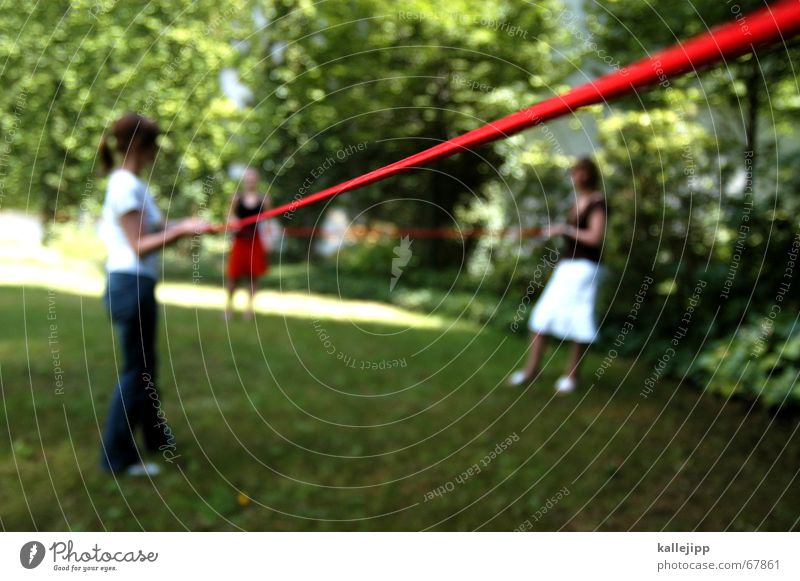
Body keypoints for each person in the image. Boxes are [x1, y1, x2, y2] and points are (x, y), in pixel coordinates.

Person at [98, 112, 208, 475]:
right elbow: (140, 245)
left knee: (147, 366)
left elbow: (158, 226)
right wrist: (180, 233)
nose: (158, 150)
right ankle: (116, 458)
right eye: (155, 143)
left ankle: (158, 438)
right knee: (136, 372)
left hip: (136, 284)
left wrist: (190, 225)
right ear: (141, 146)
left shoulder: (134, 185)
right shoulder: (124, 186)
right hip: (129, 284)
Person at [508, 157, 608, 394]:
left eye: (581, 171)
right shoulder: (577, 202)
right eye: (575, 171)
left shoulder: (597, 202)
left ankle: (571, 377)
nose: (577, 175)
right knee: (541, 316)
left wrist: (565, 230)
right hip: (567, 266)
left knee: (580, 320)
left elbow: (595, 238)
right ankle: (531, 371)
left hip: (586, 269)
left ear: (590, 174)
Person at [225, 168, 271, 320]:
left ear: (257, 180)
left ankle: (248, 310)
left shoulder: (264, 199)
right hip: (239, 241)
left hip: (255, 241)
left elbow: (268, 221)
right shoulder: (236, 198)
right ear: (244, 180)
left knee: (253, 277)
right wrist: (233, 222)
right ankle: (229, 308)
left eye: (253, 178)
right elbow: (229, 216)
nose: (251, 181)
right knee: (233, 276)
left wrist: (268, 241)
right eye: (248, 178)